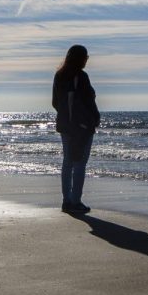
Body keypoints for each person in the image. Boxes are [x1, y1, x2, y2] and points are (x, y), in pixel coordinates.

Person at [52, 44, 100, 214]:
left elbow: (55, 102)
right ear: (80, 58)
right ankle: (76, 201)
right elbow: (88, 102)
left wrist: (66, 117)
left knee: (68, 162)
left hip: (65, 125)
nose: (87, 59)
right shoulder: (81, 76)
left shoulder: (59, 75)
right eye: (86, 56)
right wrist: (93, 119)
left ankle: (67, 201)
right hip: (82, 127)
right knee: (80, 163)